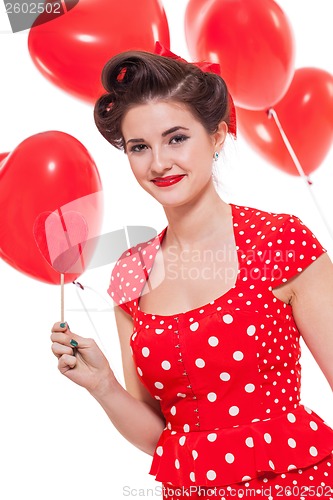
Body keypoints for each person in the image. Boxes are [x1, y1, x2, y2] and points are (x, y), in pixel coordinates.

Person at [51, 45, 333, 499]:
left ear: (217, 135)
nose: (159, 163)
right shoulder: (131, 273)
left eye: (176, 138)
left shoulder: (280, 240)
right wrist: (103, 385)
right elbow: (163, 439)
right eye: (139, 147)